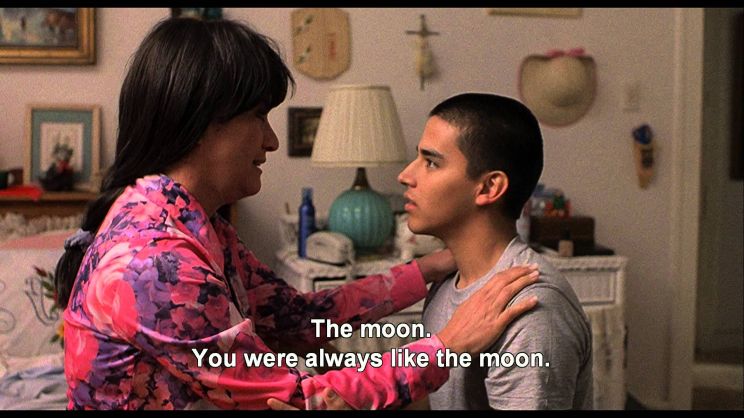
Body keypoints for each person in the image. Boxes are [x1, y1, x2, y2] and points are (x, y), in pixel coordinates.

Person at [53, 18, 540, 411]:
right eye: (258, 116)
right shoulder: (156, 262)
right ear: (202, 122)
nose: (271, 140)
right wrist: (447, 346)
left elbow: (299, 318)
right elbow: (293, 397)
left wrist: (427, 269)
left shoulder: (195, 223)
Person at [397, 93, 593, 409]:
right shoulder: (447, 283)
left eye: (431, 162)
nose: (405, 175)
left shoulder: (529, 310)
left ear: (489, 187)